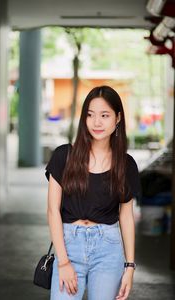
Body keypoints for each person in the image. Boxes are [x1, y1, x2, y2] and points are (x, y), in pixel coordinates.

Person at [45, 85, 141, 300]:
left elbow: (126, 216)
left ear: (117, 118)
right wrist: (63, 261)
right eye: (90, 115)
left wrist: (130, 266)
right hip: (69, 245)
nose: (97, 122)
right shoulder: (64, 156)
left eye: (104, 115)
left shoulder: (125, 165)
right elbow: (53, 211)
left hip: (108, 249)